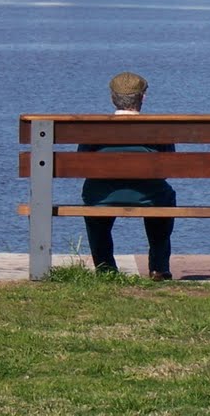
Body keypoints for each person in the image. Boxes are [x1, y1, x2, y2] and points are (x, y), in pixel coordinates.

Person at [79, 71, 176, 280]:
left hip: (102, 197)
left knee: (93, 198)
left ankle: (105, 269)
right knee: (165, 197)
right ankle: (159, 267)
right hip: (150, 196)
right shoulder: (159, 129)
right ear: (143, 97)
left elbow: (82, 164)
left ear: (112, 98)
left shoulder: (92, 129)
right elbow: (169, 166)